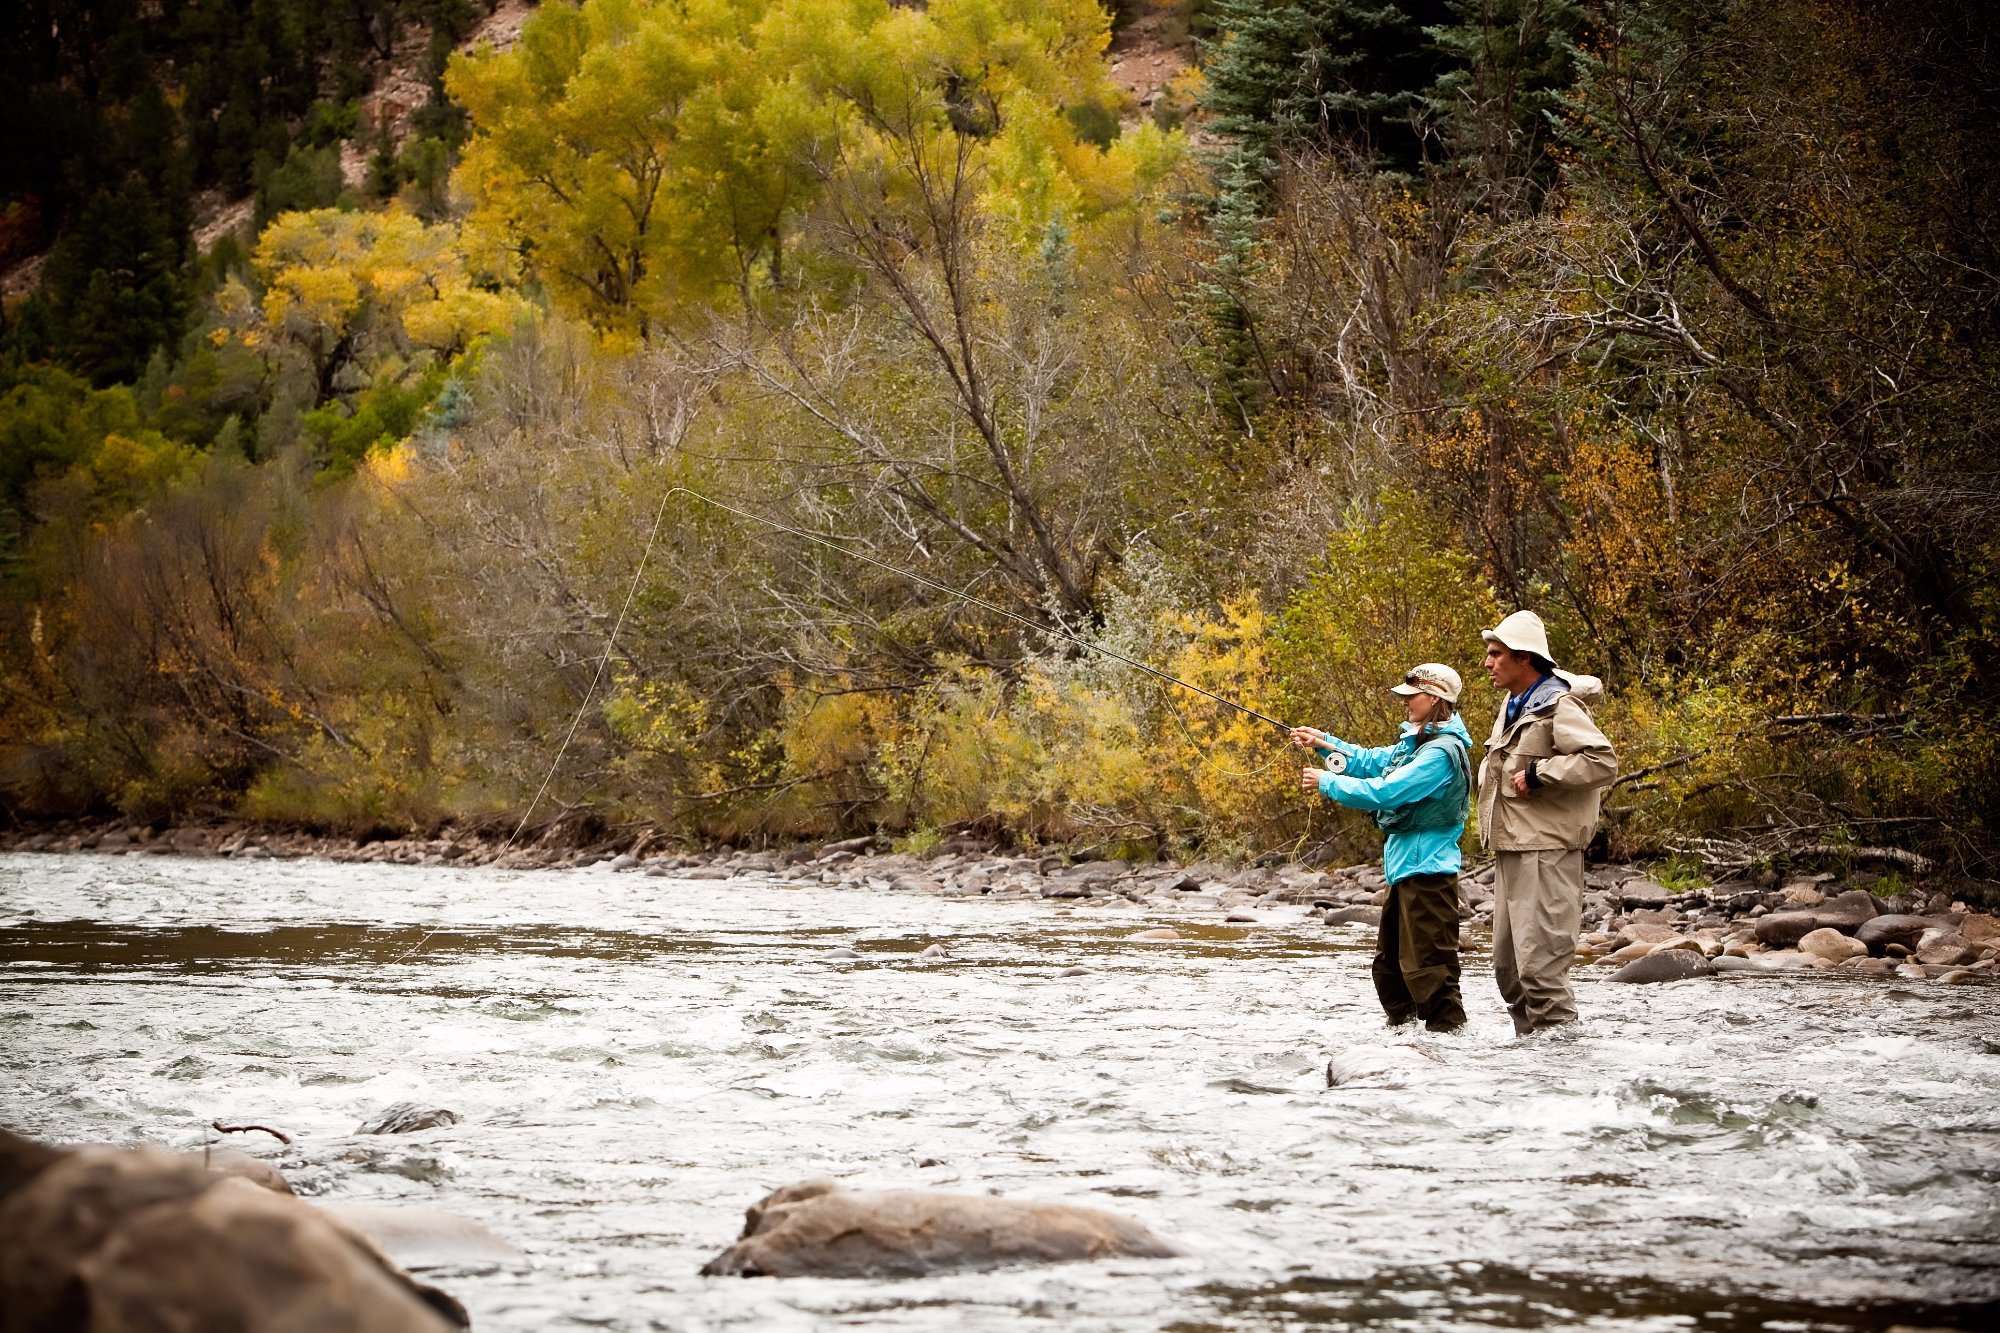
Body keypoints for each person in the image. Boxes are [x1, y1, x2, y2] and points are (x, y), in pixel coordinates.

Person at [1293, 663, 1474, 1033]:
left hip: (1429, 876)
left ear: (1435, 699)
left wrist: (1329, 783)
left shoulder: (1440, 754)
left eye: (1413, 696)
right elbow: (1370, 760)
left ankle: (1453, 1052)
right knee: (1390, 971)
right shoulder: (1417, 743)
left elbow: (1387, 791)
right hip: (1405, 872)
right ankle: (1404, 1045)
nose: (1405, 702)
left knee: (1431, 972)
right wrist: (1324, 743)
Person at [1477, 611, 1618, 1036]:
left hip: (1546, 853)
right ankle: (1532, 1072)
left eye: (1496, 654)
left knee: (1541, 973)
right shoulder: (1515, 703)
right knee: (1510, 973)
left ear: (1525, 659)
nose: (1488, 663)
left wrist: (1542, 773)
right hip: (1512, 849)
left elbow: (1601, 760)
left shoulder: (1559, 705)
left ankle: (1565, 1073)